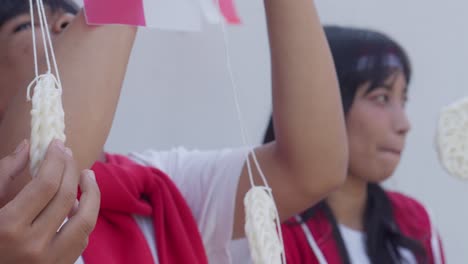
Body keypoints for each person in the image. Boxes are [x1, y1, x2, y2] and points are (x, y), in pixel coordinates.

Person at [0, 0, 348, 263]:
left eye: (71, 16)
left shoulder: (157, 186)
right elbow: (34, 183)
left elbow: (311, 169)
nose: (66, 21)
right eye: (25, 26)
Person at [260, 26, 445, 264]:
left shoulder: (414, 221)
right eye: (381, 98)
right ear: (324, 105)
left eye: (403, 99)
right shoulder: (269, 229)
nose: (404, 124)